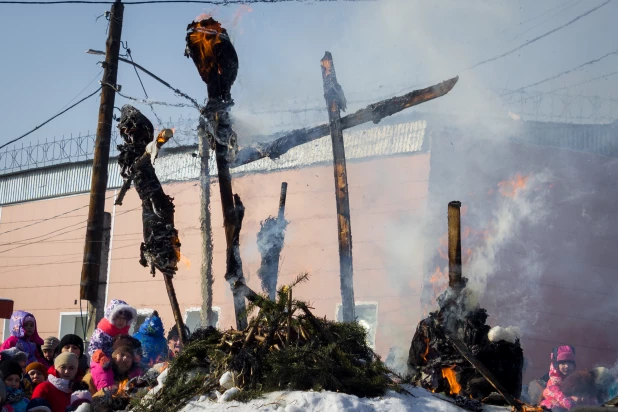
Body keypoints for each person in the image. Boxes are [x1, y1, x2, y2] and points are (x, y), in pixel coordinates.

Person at [540, 345, 578, 411]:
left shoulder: (575, 378)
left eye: (570, 363)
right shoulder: (554, 379)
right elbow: (558, 395)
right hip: (552, 406)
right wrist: (574, 406)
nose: (566, 366)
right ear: (557, 365)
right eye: (563, 363)